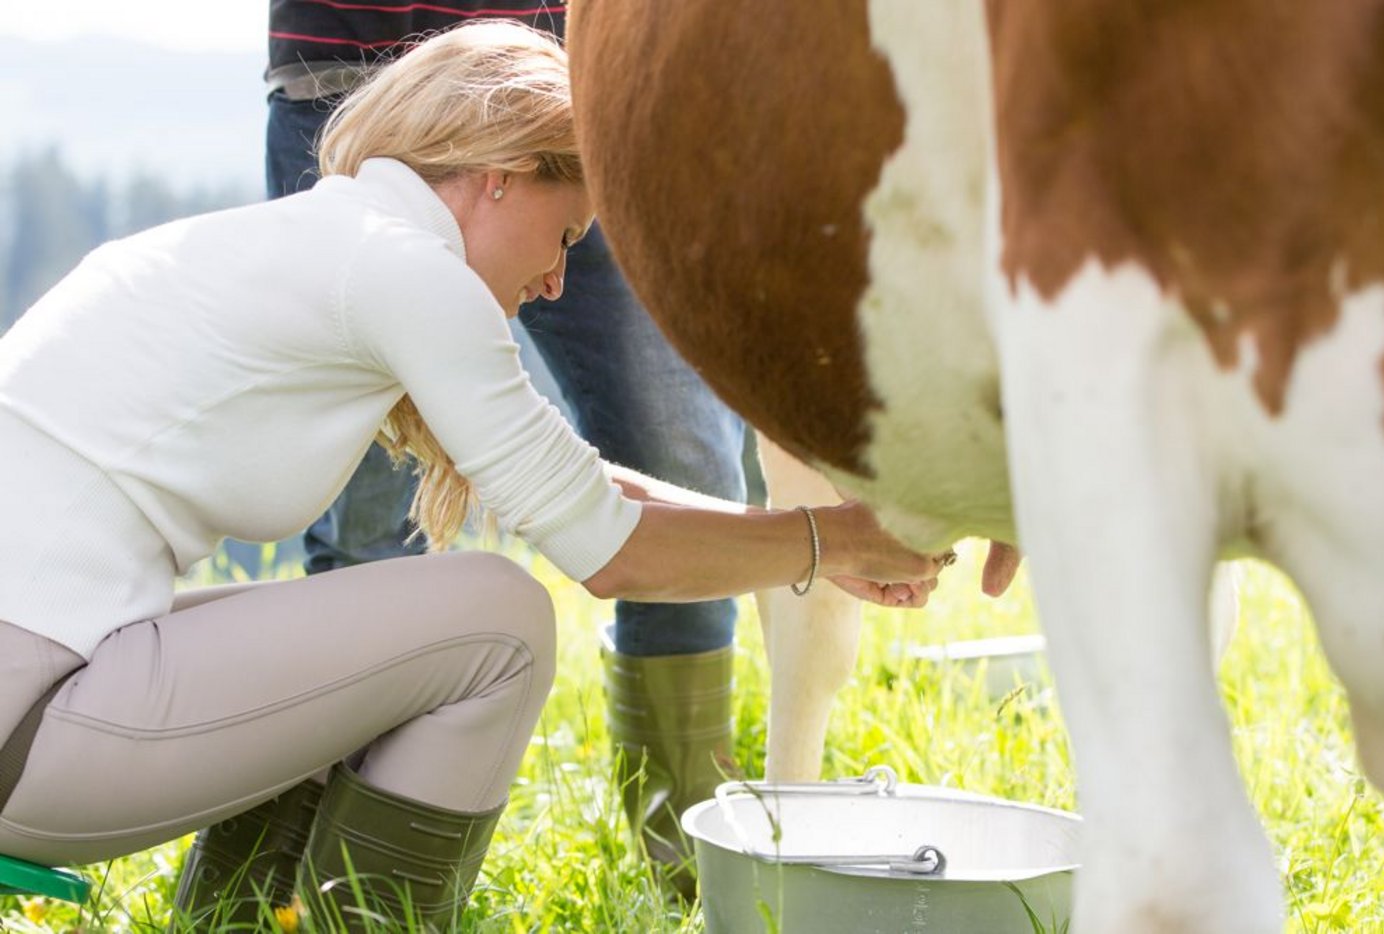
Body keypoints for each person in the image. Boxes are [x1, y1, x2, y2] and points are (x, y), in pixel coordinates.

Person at [0, 21, 940, 930]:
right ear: (501, 177)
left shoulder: (326, 243)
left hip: (46, 698)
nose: (558, 279)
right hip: (36, 723)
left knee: (369, 631)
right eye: (569, 235)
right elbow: (607, 552)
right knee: (504, 619)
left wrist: (819, 549)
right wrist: (833, 538)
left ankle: (238, 920)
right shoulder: (402, 271)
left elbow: (577, 486)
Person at [262, 0, 757, 898]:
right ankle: (337, 883)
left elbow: (585, 499)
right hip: (350, 76)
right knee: (368, 519)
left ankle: (686, 864)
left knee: (687, 456)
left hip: (584, 104)